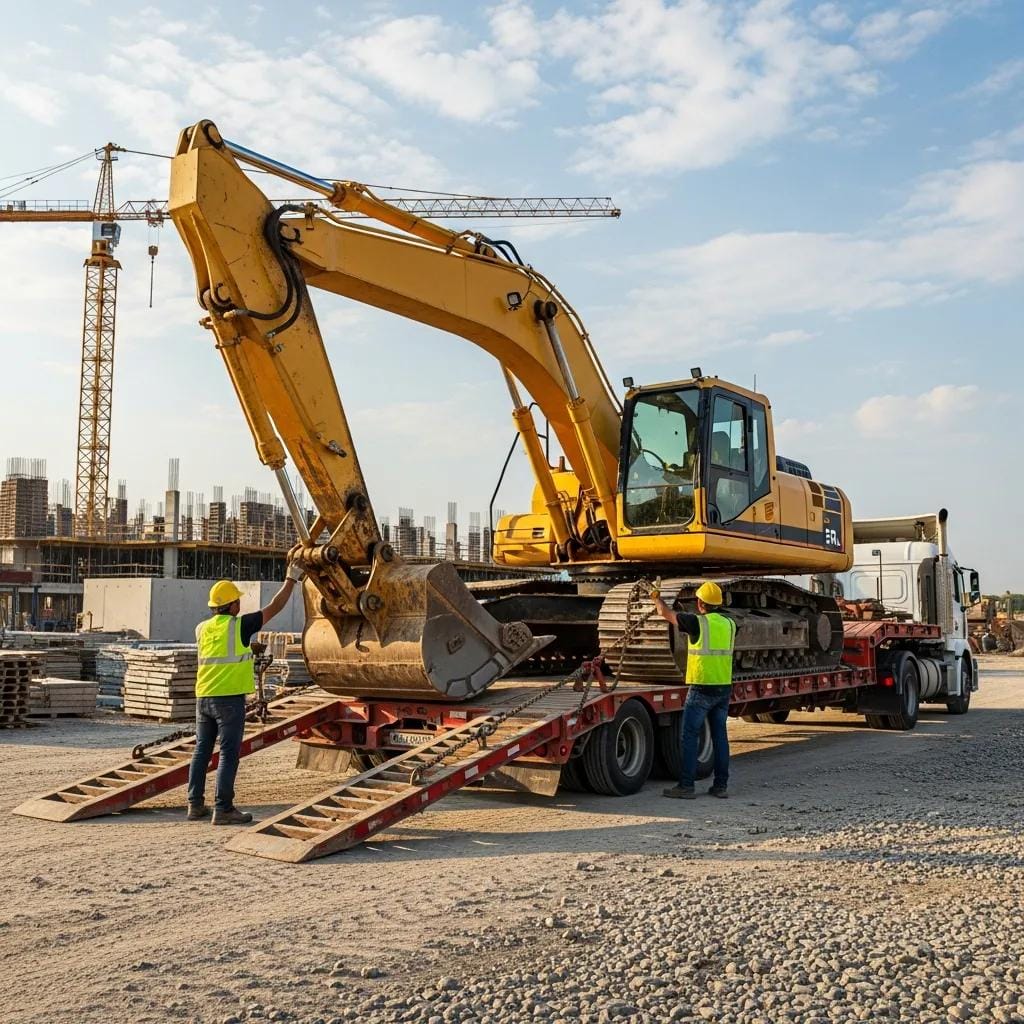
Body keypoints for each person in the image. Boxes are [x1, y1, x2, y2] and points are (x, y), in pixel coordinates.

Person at [186, 563, 305, 825]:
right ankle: (224, 809)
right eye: (237, 601)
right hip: (228, 700)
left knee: (202, 750)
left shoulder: (201, 629)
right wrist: (290, 580)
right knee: (229, 752)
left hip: (203, 697)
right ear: (231, 606)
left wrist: (248, 648)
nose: (240, 604)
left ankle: (195, 805)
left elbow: (221, 651)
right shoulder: (240, 625)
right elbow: (275, 607)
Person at [650, 580, 736, 800]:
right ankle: (721, 786)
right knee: (720, 738)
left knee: (689, 736)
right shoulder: (730, 624)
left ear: (700, 603)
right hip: (723, 688)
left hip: (701, 688)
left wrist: (656, 597)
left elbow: (666, 614)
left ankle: (686, 786)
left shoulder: (697, 623)